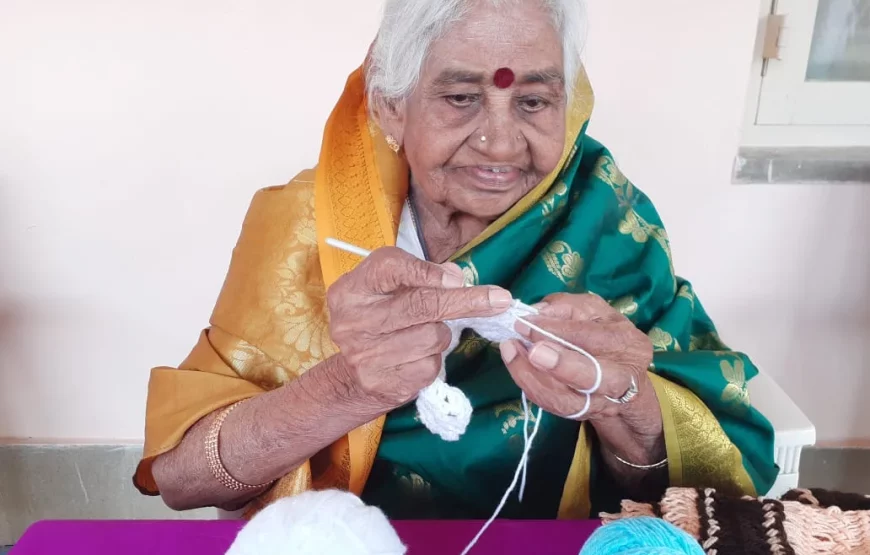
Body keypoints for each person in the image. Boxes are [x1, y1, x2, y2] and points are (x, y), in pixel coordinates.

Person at [134, 0, 778, 521]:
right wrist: (348, 387)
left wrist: (622, 404)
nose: (500, 142)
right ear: (391, 105)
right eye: (460, 97)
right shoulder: (301, 222)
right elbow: (181, 478)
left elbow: (729, 477)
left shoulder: (609, 222)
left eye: (532, 102)